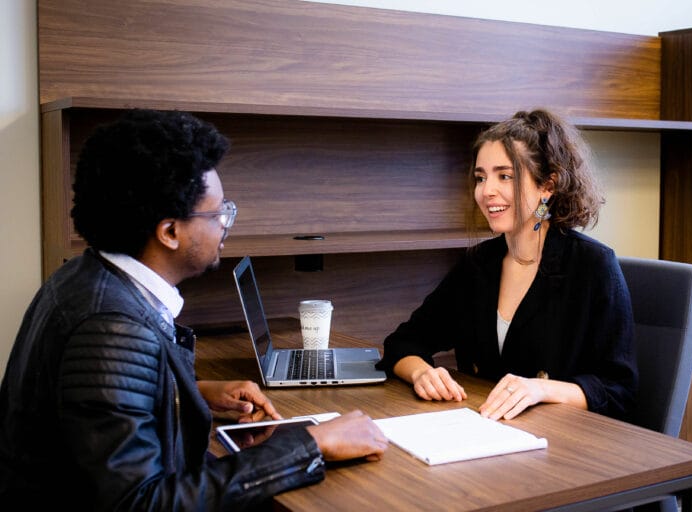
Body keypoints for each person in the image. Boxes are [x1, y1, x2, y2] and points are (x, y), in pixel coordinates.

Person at [0, 109, 387, 509]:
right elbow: (144, 503)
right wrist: (311, 445)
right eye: (219, 212)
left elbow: (95, 417)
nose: (225, 224)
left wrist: (188, 394)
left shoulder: (86, 276)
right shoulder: (111, 328)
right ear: (170, 232)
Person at [377, 109, 638, 422]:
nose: (487, 191)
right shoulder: (477, 264)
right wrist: (421, 373)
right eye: (481, 177)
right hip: (487, 429)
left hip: (564, 443)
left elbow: (618, 390)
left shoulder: (593, 266)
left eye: (505, 176)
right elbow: (403, 341)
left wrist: (541, 390)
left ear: (548, 186)